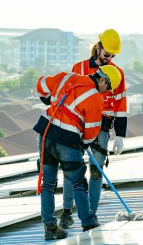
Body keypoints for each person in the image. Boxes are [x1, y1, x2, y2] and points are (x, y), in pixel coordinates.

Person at [33, 65, 122, 240]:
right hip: (67, 139)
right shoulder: (96, 98)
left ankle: (50, 227)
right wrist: (83, 145)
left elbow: (41, 84)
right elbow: (92, 130)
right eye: (108, 87)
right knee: (78, 182)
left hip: (45, 133)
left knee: (48, 184)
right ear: (103, 80)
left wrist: (49, 98)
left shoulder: (67, 77)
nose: (106, 92)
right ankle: (88, 222)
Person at [59, 29, 127, 229]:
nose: (109, 59)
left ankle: (91, 214)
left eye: (113, 56)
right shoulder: (78, 68)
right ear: (97, 47)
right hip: (77, 126)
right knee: (71, 169)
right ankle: (66, 211)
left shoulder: (116, 73)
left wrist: (120, 135)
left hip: (102, 128)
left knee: (96, 170)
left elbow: (120, 104)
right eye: (107, 54)